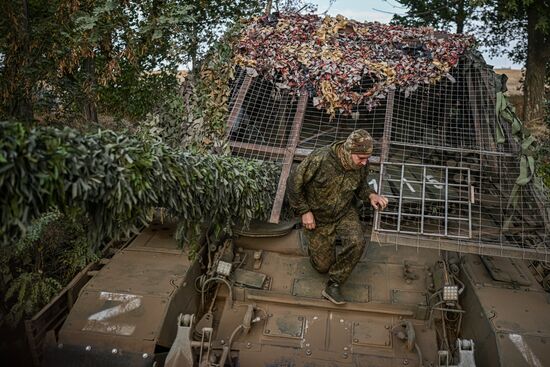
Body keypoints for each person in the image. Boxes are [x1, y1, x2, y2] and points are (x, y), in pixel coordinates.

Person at [287, 129, 388, 305]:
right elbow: (293, 183)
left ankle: (334, 283)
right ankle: (319, 246)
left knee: (357, 242)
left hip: (343, 212)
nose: (365, 163)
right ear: (348, 151)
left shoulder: (360, 166)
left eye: (367, 158)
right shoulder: (321, 158)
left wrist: (371, 195)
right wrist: (304, 211)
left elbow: (361, 186)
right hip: (318, 217)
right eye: (361, 158)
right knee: (322, 267)